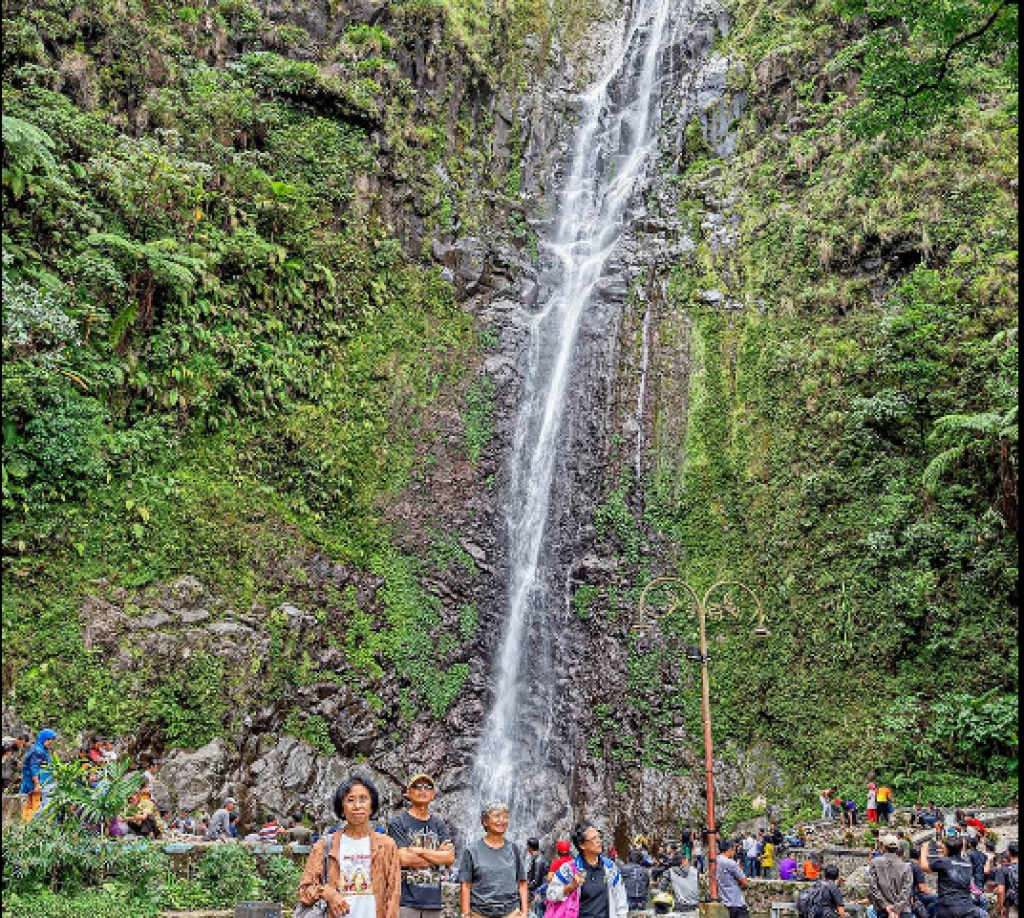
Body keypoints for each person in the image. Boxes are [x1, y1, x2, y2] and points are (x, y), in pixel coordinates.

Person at [298, 775, 402, 918]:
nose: (357, 806)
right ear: (342, 809)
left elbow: (393, 895)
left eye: (363, 799)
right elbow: (304, 891)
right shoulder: (325, 845)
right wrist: (328, 893)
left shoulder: (386, 845)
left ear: (371, 806)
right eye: (350, 800)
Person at [389, 774, 456, 918]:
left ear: (433, 794)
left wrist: (419, 850)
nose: (422, 790)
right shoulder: (397, 823)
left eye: (428, 787)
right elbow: (403, 859)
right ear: (408, 792)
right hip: (406, 901)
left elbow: (449, 858)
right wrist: (437, 854)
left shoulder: (439, 824)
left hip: (433, 901)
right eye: (417, 786)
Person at [461, 803, 528, 918]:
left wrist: (525, 913)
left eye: (505, 816)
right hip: (479, 913)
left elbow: (522, 883)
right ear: (485, 821)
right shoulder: (472, 850)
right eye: (497, 816)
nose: (502, 820)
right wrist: (465, 914)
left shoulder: (514, 849)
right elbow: (465, 886)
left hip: (511, 913)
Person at [548, 824, 628, 918]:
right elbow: (551, 894)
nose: (599, 841)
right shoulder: (569, 869)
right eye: (594, 838)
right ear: (582, 845)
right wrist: (570, 886)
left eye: (599, 837)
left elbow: (621, 900)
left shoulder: (610, 868)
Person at [919, 829, 987, 918]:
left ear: (947, 849)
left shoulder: (943, 862)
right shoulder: (967, 864)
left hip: (947, 907)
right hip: (966, 906)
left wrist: (924, 850)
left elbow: (924, 867)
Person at [869, 835, 914, 918]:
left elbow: (873, 887)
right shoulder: (906, 866)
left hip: (883, 911)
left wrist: (886, 906)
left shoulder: (875, 863)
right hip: (902, 911)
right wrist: (896, 909)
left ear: (884, 847)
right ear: (897, 848)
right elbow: (906, 890)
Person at [19, 729, 56, 823]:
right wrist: (37, 784)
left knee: (30, 805)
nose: (50, 743)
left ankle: (24, 824)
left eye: (51, 740)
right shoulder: (38, 751)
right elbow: (33, 768)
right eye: (48, 740)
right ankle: (32, 825)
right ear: (43, 739)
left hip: (37, 782)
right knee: (37, 805)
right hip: (37, 783)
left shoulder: (41, 749)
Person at [717, 839, 751, 918]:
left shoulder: (716, 860)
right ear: (730, 849)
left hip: (725, 901)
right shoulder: (731, 863)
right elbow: (745, 882)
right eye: (734, 849)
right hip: (736, 903)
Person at [995, 842, 1018, 918]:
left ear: (1008, 852)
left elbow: (1000, 891)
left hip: (1013, 905)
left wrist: (1001, 907)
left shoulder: (1003, 869)